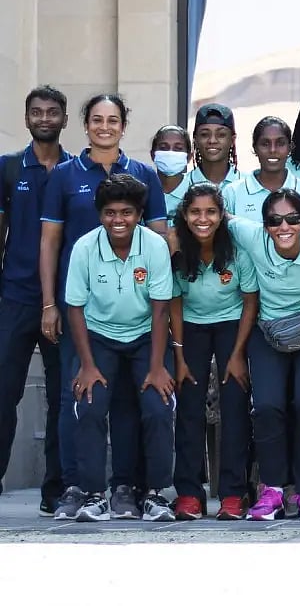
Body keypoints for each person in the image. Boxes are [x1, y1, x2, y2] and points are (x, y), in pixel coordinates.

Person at [40, 93, 168, 521]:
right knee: (78, 397)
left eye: (113, 120)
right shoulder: (64, 176)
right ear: (86, 124)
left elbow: (159, 277)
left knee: (138, 406)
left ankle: (129, 490)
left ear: (123, 126)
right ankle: (77, 488)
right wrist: (48, 303)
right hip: (89, 314)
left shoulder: (143, 176)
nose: (105, 126)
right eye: (97, 119)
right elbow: (50, 242)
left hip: (137, 321)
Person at [226, 189, 300, 520]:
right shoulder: (252, 238)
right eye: (274, 220)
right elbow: (222, 217)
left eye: (293, 219)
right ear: (264, 225)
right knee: (266, 406)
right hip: (269, 332)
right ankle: (273, 489)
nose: (284, 227)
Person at [64, 175, 174, 522]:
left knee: (157, 408)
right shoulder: (85, 247)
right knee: (91, 406)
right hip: (98, 337)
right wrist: (87, 365)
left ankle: (156, 494)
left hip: (144, 336)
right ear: (100, 215)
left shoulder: (154, 246)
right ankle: (94, 495)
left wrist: (157, 367)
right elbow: (75, 309)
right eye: (110, 213)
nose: (118, 220)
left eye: (126, 212)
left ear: (140, 214)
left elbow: (160, 310)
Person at [0, 86, 72, 515]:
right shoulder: (9, 168)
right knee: (4, 393)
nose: (44, 118)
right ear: (27, 118)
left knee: (62, 397)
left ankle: (56, 490)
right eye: (36, 112)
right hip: (14, 297)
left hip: (64, 302)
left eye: (52, 112)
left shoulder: (75, 169)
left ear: (64, 119)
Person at [168, 183, 259, 520]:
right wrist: (178, 356)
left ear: (222, 216)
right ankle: (189, 494)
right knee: (189, 407)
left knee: (234, 407)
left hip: (232, 325)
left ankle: (233, 494)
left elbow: (250, 302)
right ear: (185, 215)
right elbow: (174, 305)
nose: (202, 219)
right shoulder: (177, 251)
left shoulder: (237, 250)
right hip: (190, 327)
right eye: (195, 212)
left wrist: (237, 355)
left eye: (210, 212)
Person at [225, 116, 300, 227]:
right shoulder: (233, 193)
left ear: (290, 147)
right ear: (255, 148)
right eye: (265, 144)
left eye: (280, 143)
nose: (272, 150)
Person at [152, 125, 191, 226]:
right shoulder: (144, 189)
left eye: (178, 148)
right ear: (153, 154)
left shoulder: (195, 191)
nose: (170, 153)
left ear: (189, 157)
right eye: (163, 148)